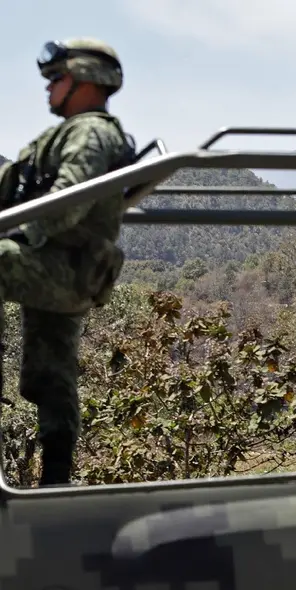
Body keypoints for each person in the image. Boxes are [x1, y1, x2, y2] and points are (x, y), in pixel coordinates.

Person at [0, 38, 133, 487]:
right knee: (51, 378)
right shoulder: (65, 133)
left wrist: (19, 233)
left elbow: (69, 200)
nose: (48, 89)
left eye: (56, 79)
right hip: (55, 265)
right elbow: (13, 183)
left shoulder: (93, 133)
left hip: (64, 266)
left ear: (85, 80)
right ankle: (55, 483)